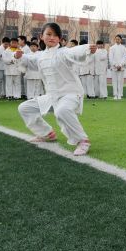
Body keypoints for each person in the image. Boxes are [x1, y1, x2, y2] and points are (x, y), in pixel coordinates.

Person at [16, 23, 97, 156]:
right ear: (41, 36)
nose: (52, 37)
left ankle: (83, 141)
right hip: (52, 97)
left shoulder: (63, 52)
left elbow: (74, 52)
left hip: (70, 94)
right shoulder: (40, 56)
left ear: (59, 39)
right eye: (48, 34)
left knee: (62, 110)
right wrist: (19, 56)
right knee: (24, 108)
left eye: (55, 35)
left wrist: (87, 49)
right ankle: (47, 134)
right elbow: (29, 60)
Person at [109, 35, 126, 100]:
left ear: (121, 40)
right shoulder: (112, 48)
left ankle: (120, 95)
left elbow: (124, 57)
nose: (117, 40)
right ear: (115, 40)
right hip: (114, 68)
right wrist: (116, 65)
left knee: (120, 81)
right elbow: (111, 58)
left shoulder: (124, 48)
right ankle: (115, 95)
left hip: (121, 68)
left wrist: (120, 65)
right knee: (114, 81)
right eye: (116, 39)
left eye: (118, 39)